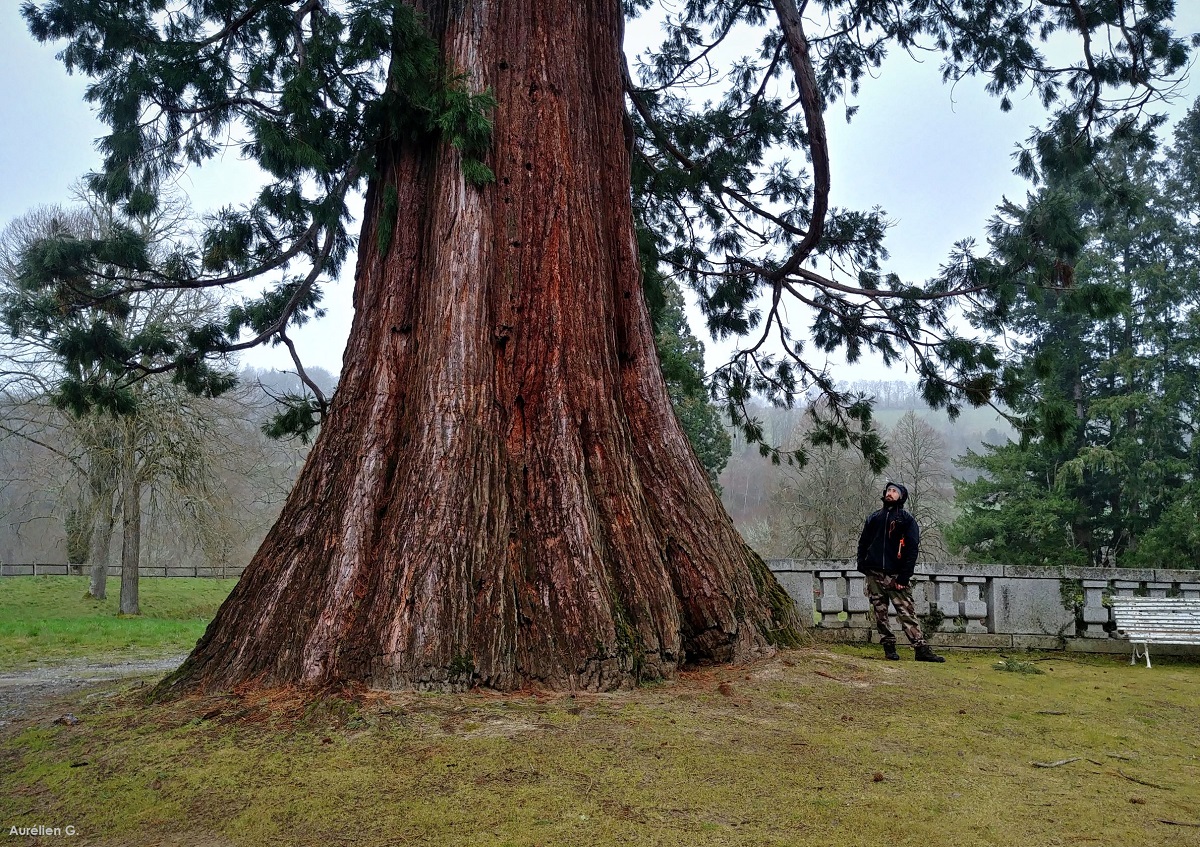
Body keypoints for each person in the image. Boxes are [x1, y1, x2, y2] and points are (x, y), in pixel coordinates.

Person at [856, 482, 945, 662]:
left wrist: (904, 576)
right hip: (874, 573)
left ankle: (921, 649)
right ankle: (889, 648)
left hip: (896, 575)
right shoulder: (873, 518)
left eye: (894, 491)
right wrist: (861, 563)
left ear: (901, 496)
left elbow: (912, 549)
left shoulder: (906, 519)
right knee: (880, 614)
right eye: (888, 490)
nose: (890, 493)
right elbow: (863, 543)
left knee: (906, 612)